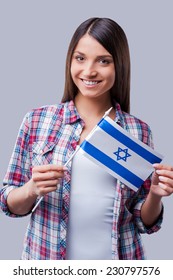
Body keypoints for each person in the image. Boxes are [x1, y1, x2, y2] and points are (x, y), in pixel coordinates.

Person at [0, 17, 173, 260]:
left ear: (119, 65)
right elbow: (8, 203)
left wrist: (155, 195)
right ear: (70, 60)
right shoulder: (37, 120)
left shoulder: (138, 131)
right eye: (80, 58)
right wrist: (31, 189)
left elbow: (145, 222)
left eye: (103, 61)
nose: (89, 71)